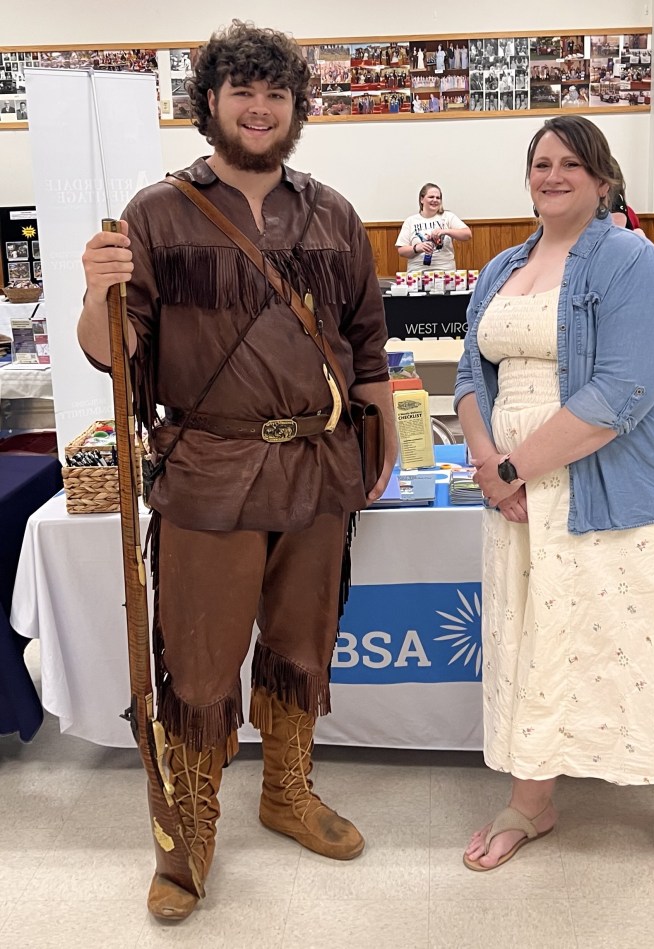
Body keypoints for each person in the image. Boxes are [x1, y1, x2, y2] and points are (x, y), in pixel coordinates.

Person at [78, 20, 397, 921]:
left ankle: (286, 790)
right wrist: (96, 293)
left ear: (296, 107)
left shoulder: (332, 214)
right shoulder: (156, 213)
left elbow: (366, 341)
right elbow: (115, 352)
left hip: (319, 466)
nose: (260, 109)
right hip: (210, 467)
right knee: (202, 663)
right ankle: (191, 826)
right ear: (210, 103)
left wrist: (381, 433)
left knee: (301, 644)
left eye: (276, 94)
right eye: (243, 92)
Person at [454, 115, 654, 884]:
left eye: (571, 163)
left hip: (619, 492)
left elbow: (623, 391)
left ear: (603, 180)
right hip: (518, 497)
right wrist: (487, 459)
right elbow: (472, 374)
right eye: (541, 163)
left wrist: (514, 467)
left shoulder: (634, 261)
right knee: (538, 641)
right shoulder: (501, 267)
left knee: (647, 643)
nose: (553, 175)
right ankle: (530, 803)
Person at [395, 182, 472, 271]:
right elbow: (401, 251)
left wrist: (445, 231)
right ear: (422, 199)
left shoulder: (448, 216)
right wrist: (417, 248)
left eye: (438, 198)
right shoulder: (410, 221)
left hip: (446, 273)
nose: (435, 200)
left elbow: (467, 234)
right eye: (431, 197)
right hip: (417, 273)